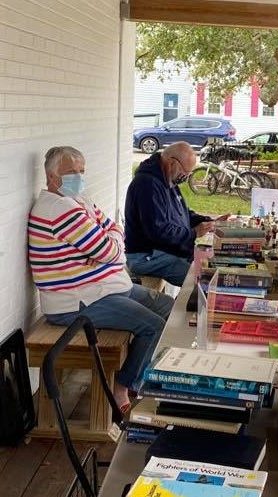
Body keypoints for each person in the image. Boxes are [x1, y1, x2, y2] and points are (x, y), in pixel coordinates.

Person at [27, 146, 174, 411]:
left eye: (81, 171)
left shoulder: (77, 200)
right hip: (79, 301)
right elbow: (109, 251)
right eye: (71, 172)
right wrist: (110, 247)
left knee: (170, 310)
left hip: (106, 287)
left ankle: (149, 374)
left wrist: (111, 243)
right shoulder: (59, 209)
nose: (78, 177)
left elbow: (115, 229)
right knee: (154, 326)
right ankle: (124, 386)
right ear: (51, 176)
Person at [125, 141, 216, 287]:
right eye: (184, 172)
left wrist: (208, 221)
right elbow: (158, 231)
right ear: (172, 163)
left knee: (210, 266)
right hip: (146, 256)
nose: (185, 177)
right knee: (202, 282)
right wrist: (193, 233)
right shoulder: (147, 184)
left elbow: (183, 213)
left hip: (162, 252)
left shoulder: (167, 179)